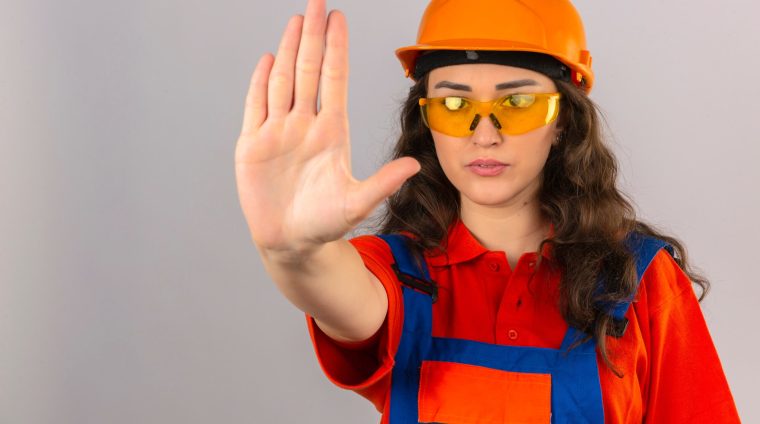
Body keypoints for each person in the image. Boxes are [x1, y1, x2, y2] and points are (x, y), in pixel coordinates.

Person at [235, 0, 740, 422]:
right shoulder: (396, 276)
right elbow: (328, 283)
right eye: (454, 106)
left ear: (563, 119)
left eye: (517, 103)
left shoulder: (640, 278)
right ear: (426, 121)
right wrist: (291, 251)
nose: (484, 133)